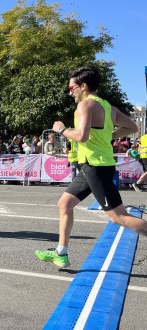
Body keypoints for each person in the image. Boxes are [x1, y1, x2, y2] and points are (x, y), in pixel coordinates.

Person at [35, 67, 147, 268]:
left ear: (83, 86)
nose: (70, 92)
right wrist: (108, 135)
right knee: (65, 203)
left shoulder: (85, 105)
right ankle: (61, 252)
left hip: (96, 167)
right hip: (90, 166)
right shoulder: (108, 107)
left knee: (118, 217)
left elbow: (81, 136)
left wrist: (61, 129)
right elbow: (132, 127)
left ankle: (61, 252)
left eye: (72, 88)